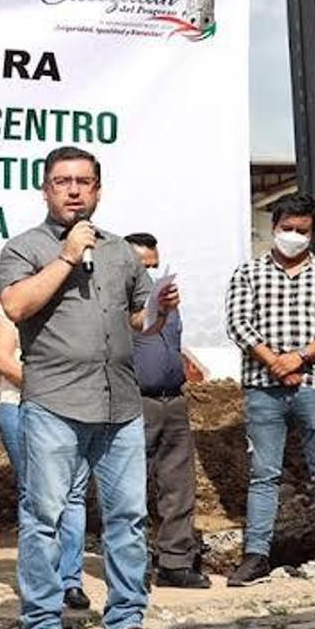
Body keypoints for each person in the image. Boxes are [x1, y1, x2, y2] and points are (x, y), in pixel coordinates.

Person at [0, 145, 178, 629]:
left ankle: (127, 621)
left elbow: (139, 320)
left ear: (98, 189)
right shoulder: (25, 248)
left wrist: (158, 308)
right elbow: (16, 305)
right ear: (46, 188)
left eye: (83, 181)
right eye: (62, 181)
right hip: (54, 402)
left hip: (119, 404)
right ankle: (43, 627)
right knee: (45, 516)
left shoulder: (120, 250)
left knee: (128, 517)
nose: (73, 189)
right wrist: (67, 256)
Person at [223, 194, 315, 587]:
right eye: (286, 228)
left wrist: (298, 359)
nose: (293, 236)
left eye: (301, 231)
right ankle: (256, 557)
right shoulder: (248, 273)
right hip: (263, 388)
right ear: (273, 228)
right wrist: (276, 362)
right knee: (263, 474)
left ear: (313, 233)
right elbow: (239, 324)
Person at [0, 303, 92, 609]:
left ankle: (71, 581)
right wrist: (53, 386)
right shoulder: (10, 308)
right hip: (22, 407)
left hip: (74, 410)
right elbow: (3, 360)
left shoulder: (75, 305)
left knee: (73, 496)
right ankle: (40, 580)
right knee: (36, 498)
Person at [123, 233, 209, 590]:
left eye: (155, 266)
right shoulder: (117, 307)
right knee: (131, 486)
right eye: (144, 268)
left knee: (178, 483)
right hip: (134, 402)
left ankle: (175, 562)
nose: (152, 275)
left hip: (172, 401)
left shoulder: (169, 308)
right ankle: (132, 564)